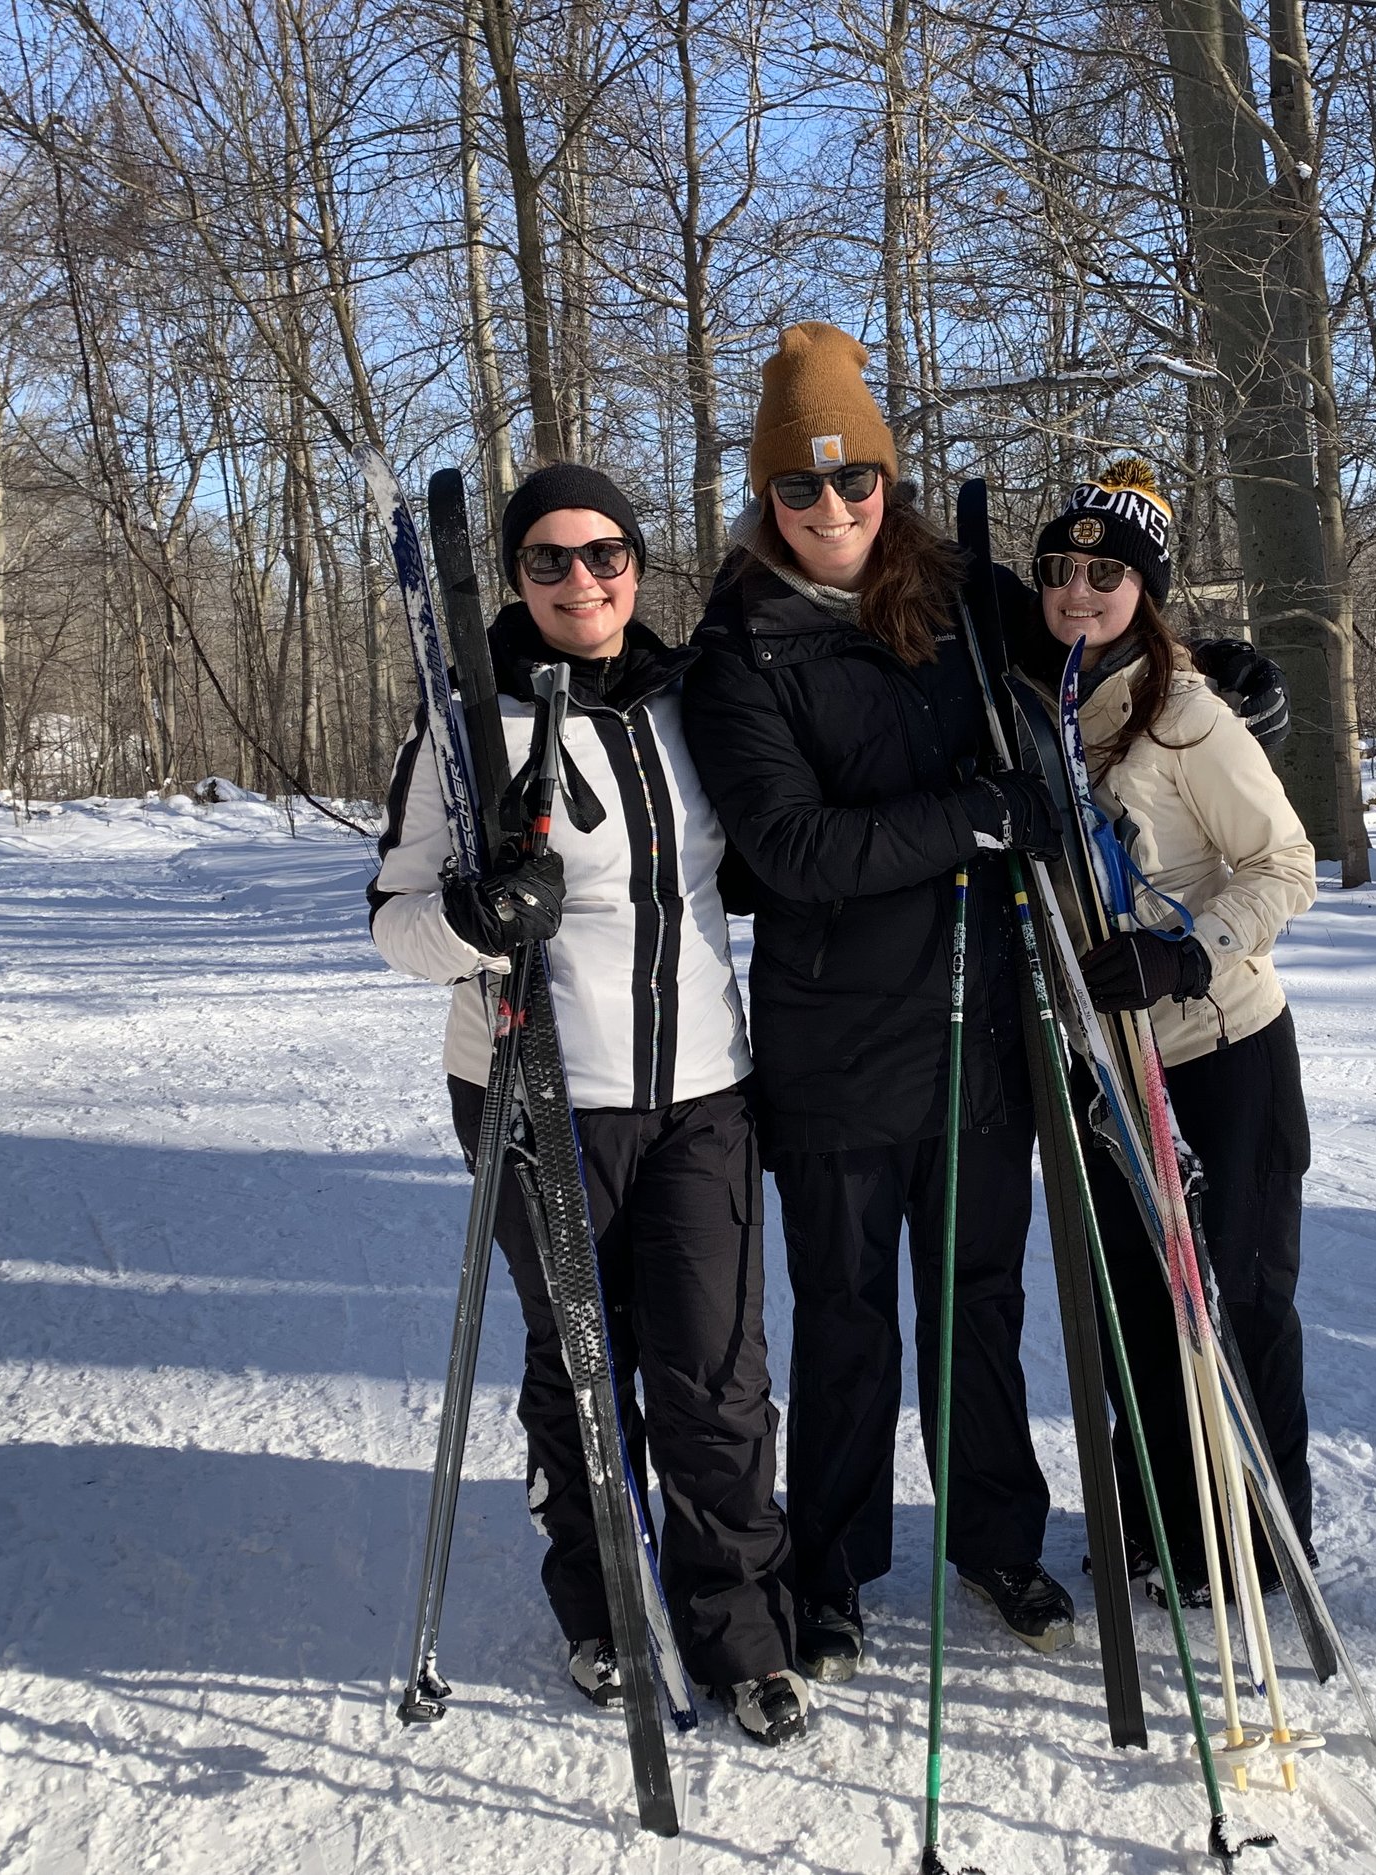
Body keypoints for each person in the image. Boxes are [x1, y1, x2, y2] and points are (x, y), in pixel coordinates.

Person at [369, 463, 808, 1745]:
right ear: (514, 578)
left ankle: (741, 1633)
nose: (582, 581)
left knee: (717, 1375)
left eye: (605, 554)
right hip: (535, 1093)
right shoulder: (468, 734)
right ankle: (607, 1612)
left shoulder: (692, 707)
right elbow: (391, 922)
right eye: (550, 560)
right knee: (582, 1362)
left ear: (638, 564)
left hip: (704, 1095)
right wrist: (471, 919)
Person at [681, 323, 1079, 1679]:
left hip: (977, 1022)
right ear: (767, 498)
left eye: (857, 483)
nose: (834, 510)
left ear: (889, 482)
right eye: (802, 488)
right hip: (835, 1042)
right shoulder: (737, 645)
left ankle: (994, 1534)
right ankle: (838, 1562)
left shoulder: (963, 591)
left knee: (977, 1300)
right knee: (846, 1314)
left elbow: (1091, 659)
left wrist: (1206, 682)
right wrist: (969, 818)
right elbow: (790, 850)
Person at [1018, 458, 1320, 1599]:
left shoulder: (1189, 713)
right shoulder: (1045, 714)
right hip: (1111, 1062)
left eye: (1106, 573)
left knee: (1234, 1303)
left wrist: (1184, 951)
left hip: (1223, 1052)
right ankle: (1162, 1523)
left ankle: (1253, 1541)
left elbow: (1284, 868)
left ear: (1145, 589)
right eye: (1061, 571)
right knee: (1139, 1304)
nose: (1080, 590)